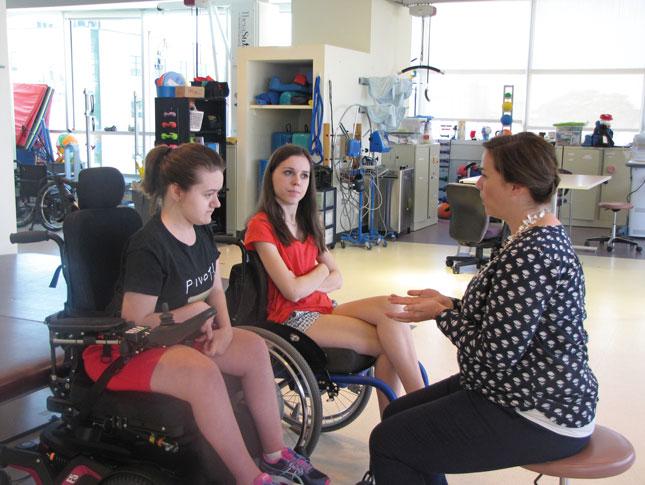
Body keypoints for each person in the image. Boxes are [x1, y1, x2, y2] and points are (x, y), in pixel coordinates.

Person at [82, 143, 329, 485]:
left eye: (218, 193)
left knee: (255, 349)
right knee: (204, 374)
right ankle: (250, 478)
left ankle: (275, 455)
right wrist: (192, 313)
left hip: (175, 338)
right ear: (177, 191)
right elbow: (135, 322)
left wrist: (225, 327)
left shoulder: (200, 230)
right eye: (209, 194)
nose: (217, 203)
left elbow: (214, 287)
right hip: (123, 350)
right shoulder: (148, 246)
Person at [360, 132, 599, 484]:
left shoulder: (533, 253)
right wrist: (447, 302)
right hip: (511, 387)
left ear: (517, 187)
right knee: (397, 412)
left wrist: (441, 315)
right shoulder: (529, 234)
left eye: (486, 175)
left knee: (390, 440)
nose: (478, 183)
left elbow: (493, 354)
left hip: (539, 410)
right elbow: (507, 314)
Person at [244, 144, 426, 414]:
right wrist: (319, 272)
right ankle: (419, 409)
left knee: (393, 309)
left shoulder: (307, 222)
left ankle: (416, 407)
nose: (297, 182)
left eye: (305, 176)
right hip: (292, 317)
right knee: (391, 346)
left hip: (322, 306)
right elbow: (292, 292)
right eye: (288, 173)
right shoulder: (262, 225)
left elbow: (337, 277)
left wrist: (308, 280)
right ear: (271, 176)